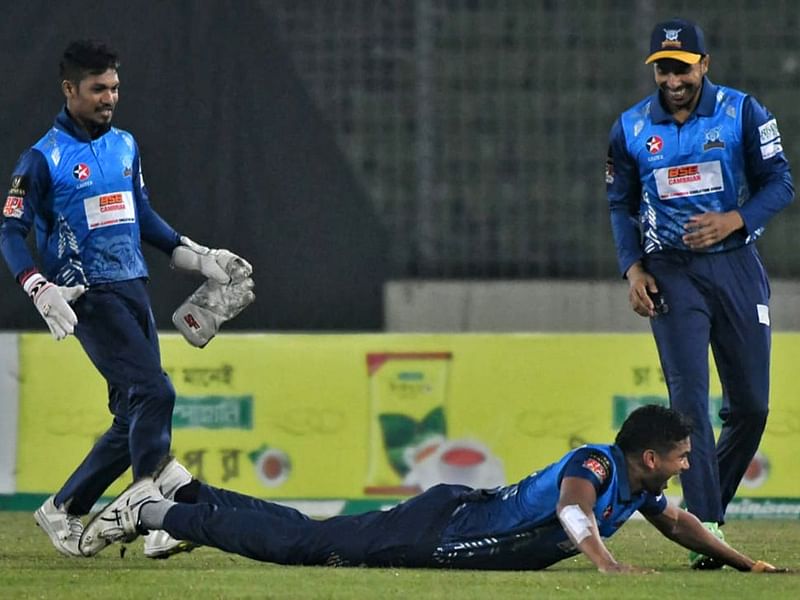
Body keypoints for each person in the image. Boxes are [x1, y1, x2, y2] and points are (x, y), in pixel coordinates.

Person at [0, 40, 251, 558]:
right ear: (70, 90)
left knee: (133, 412)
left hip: (134, 287)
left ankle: (64, 508)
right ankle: (154, 515)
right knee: (155, 395)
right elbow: (8, 231)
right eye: (97, 89)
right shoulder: (42, 158)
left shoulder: (125, 145)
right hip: (87, 296)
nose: (108, 97)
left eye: (114, 87)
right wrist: (38, 286)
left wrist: (197, 255)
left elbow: (142, 217)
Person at [78, 405, 784, 573]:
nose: (690, 465)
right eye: (684, 457)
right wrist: (606, 563)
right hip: (436, 531)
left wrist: (744, 563)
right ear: (652, 455)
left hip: (445, 518)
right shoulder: (598, 465)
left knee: (311, 532)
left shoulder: (638, 489)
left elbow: (682, 524)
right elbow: (571, 510)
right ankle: (158, 508)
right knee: (305, 546)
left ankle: (185, 490)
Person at [605, 18, 794, 567]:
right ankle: (707, 528)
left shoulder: (742, 112)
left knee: (752, 406)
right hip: (670, 271)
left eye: (684, 67)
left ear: (704, 65)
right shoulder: (632, 127)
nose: (674, 78)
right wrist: (632, 269)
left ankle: (707, 514)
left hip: (735, 266)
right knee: (689, 403)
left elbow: (780, 182)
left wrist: (734, 219)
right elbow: (620, 203)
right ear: (654, 71)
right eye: (664, 68)